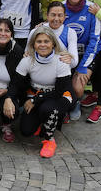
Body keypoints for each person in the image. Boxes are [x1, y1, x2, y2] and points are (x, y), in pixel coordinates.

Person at [11, 25, 72, 158]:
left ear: (53, 44)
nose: (43, 45)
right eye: (39, 42)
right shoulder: (27, 60)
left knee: (48, 109)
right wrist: (9, 99)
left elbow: (60, 91)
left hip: (59, 96)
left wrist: (34, 100)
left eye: (46, 41)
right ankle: (41, 122)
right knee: (26, 131)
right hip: (36, 94)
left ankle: (49, 140)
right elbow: (15, 83)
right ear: (33, 44)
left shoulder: (61, 61)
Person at [62, 0, 100, 121]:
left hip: (85, 56)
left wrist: (83, 66)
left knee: (77, 88)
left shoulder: (91, 9)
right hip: (66, 56)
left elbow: (95, 41)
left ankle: (75, 102)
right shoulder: (60, 7)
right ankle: (63, 104)